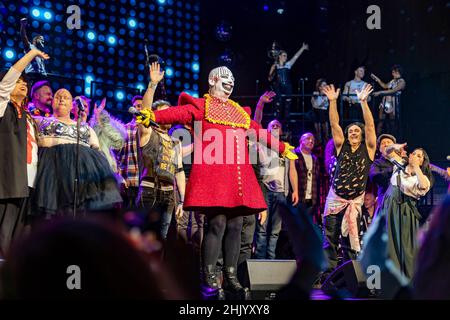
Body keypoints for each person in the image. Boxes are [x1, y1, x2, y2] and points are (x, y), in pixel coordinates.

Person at [137, 65, 298, 299]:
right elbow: (178, 114)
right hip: (215, 177)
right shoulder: (202, 106)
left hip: (237, 177)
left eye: (233, 79)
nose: (230, 82)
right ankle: (209, 277)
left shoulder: (238, 111)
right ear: (213, 80)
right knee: (217, 224)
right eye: (225, 78)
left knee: (235, 226)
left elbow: (257, 131)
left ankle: (231, 277)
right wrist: (153, 116)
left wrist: (282, 148)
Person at [31, 89, 122, 218]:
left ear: (72, 104)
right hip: (50, 175)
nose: (62, 99)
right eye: (58, 96)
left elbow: (98, 153)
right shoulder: (39, 121)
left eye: (66, 97)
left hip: (80, 181)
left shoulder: (86, 128)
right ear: (52, 102)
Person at [320, 83, 377, 281]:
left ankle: (352, 276)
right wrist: (333, 101)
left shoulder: (368, 149)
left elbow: (370, 126)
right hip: (335, 199)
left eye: (356, 131)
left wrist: (363, 102)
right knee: (330, 238)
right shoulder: (340, 146)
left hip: (354, 202)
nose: (353, 133)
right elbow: (335, 124)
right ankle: (329, 276)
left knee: (351, 239)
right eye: (350, 131)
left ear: (361, 136)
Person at [0, 49, 49, 254]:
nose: (24, 84)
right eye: (19, 81)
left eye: (25, 82)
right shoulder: (3, 105)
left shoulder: (29, 116)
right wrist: (32, 54)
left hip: (28, 181)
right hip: (8, 180)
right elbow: (9, 77)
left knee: (19, 236)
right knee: (4, 230)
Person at [375, 145, 433, 279]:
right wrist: (395, 146)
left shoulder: (422, 178)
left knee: (404, 245)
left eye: (420, 156)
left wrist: (416, 167)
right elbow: (388, 152)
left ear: (422, 162)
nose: (415, 156)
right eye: (414, 153)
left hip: (405, 212)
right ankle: (385, 279)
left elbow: (423, 186)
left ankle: (408, 279)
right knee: (386, 242)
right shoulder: (400, 165)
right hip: (389, 207)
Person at [137, 99, 185, 240]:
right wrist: (153, 84)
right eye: (165, 112)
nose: (168, 115)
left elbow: (179, 171)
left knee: (162, 238)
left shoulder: (176, 143)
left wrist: (182, 200)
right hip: (149, 190)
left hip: (169, 195)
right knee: (143, 235)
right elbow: (145, 111)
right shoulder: (147, 132)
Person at [254, 120, 299, 260]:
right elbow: (256, 121)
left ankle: (271, 260)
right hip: (264, 189)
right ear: (267, 130)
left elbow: (292, 170)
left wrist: (295, 190)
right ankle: (260, 261)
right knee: (262, 228)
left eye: (277, 126)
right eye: (272, 125)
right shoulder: (262, 144)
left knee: (275, 230)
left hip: (281, 192)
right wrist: (261, 103)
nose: (274, 127)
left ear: (281, 131)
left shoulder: (287, 148)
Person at [117, 95, 147, 208]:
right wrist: (121, 177)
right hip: (131, 180)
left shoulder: (151, 129)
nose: (136, 109)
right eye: (134, 107)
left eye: (139, 106)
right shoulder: (125, 128)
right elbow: (118, 156)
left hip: (147, 181)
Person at [268, 43, 309, 121]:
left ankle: (286, 129)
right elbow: (269, 79)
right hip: (278, 88)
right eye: (284, 55)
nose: (286, 57)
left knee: (287, 109)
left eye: (286, 56)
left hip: (287, 87)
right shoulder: (274, 66)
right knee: (278, 109)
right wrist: (273, 71)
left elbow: (295, 57)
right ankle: (276, 130)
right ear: (279, 56)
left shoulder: (288, 65)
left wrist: (302, 48)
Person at [88, 98, 127, 178]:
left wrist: (99, 118)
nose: (82, 109)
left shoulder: (100, 127)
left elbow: (119, 139)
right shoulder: (89, 128)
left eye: (85, 106)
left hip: (106, 170)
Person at [371, 65, 406, 135]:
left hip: (393, 102)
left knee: (392, 122)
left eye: (393, 72)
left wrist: (380, 92)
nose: (392, 74)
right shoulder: (393, 80)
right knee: (381, 121)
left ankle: (393, 138)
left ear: (397, 72)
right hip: (385, 101)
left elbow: (393, 90)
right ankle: (377, 138)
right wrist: (377, 79)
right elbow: (385, 86)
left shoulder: (402, 81)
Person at [294, 133, 320, 224]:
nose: (311, 141)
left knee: (307, 226)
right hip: (297, 197)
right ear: (301, 141)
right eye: (308, 138)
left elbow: (316, 180)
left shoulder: (315, 159)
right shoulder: (294, 155)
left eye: (313, 139)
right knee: (295, 225)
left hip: (310, 199)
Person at [369, 133, 400, 207]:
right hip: (385, 201)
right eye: (383, 143)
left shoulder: (403, 160)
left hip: (404, 202)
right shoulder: (376, 163)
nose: (386, 144)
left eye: (388, 142)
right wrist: (393, 169)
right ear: (379, 149)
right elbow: (375, 177)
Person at [311, 79, 329, 143]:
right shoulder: (315, 93)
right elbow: (314, 104)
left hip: (324, 112)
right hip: (316, 112)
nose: (326, 86)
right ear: (320, 87)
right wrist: (319, 103)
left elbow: (323, 104)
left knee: (325, 132)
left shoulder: (328, 94)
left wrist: (319, 104)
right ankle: (319, 144)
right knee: (318, 132)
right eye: (324, 85)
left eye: (326, 85)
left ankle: (326, 145)